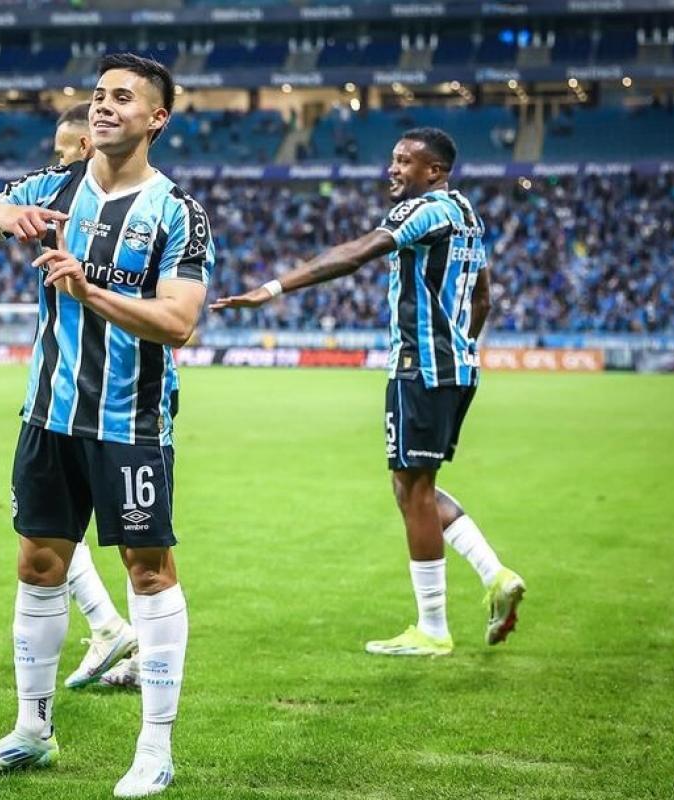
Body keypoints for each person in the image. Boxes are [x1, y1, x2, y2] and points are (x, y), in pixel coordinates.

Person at [0, 53, 214, 797]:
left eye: (122, 97)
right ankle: (32, 732)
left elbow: (179, 322)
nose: (103, 106)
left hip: (130, 420)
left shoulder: (176, 212)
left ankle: (154, 749)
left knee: (147, 571)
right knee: (38, 565)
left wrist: (90, 293)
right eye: (97, 95)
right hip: (49, 414)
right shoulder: (52, 186)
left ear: (156, 118)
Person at [212, 127, 525, 656]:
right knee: (415, 487)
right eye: (393, 159)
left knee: (413, 491)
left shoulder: (423, 210)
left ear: (435, 172)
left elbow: (358, 252)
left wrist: (272, 289)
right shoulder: (466, 213)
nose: (393, 169)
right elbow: (485, 299)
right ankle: (495, 574)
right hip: (458, 369)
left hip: (419, 368)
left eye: (405, 161)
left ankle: (433, 628)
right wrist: (461, 347)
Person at [50, 100, 142, 692]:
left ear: (87, 147)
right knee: (50, 529)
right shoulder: (59, 202)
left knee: (139, 544)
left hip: (126, 401)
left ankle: (115, 633)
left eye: (63, 153)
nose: (55, 164)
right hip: (63, 397)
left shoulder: (152, 208)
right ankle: (112, 631)